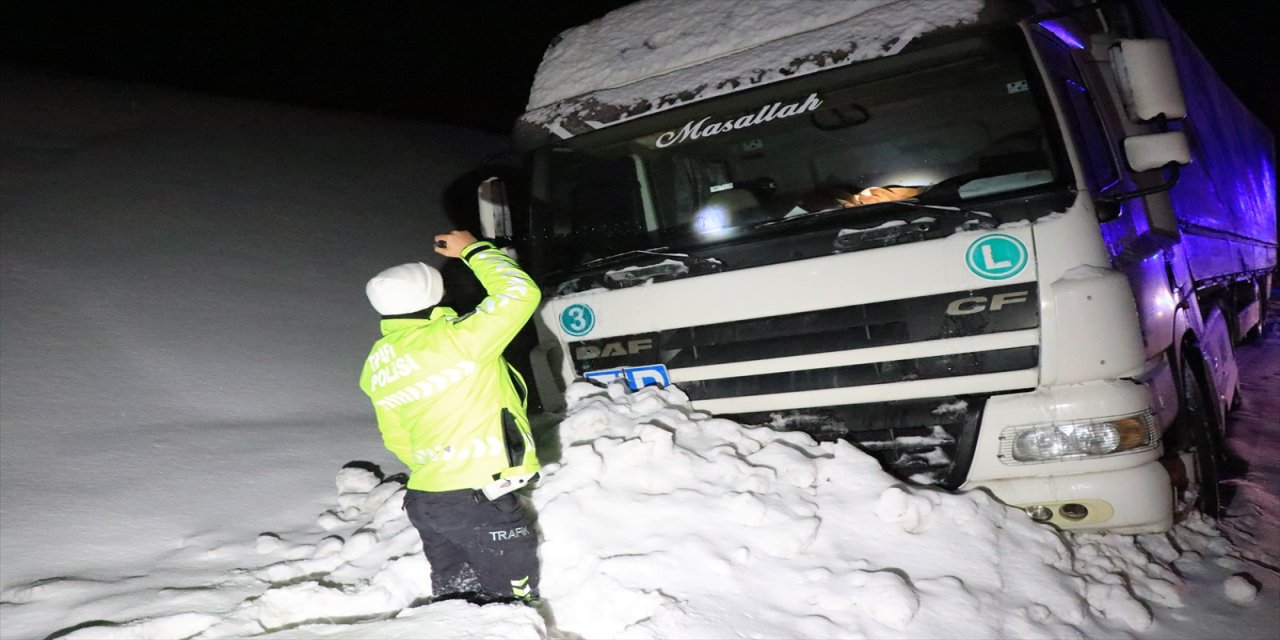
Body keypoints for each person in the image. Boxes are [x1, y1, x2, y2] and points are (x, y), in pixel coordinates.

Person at [359, 229, 543, 605]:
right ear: (436, 295)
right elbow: (520, 294)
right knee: (510, 609)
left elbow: (395, 436)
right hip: (479, 499)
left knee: (456, 604)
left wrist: (439, 470)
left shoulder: (380, 362)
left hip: (429, 500)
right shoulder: (458, 340)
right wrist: (474, 250)